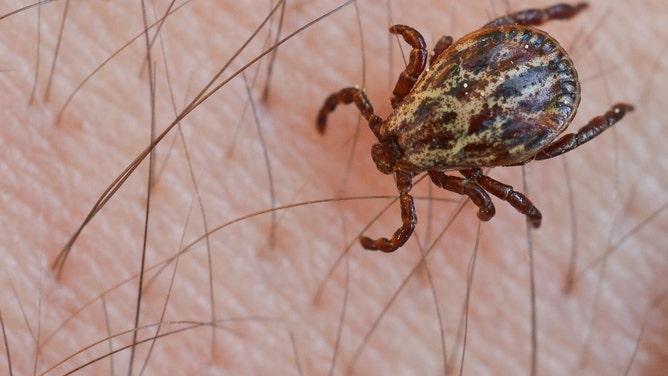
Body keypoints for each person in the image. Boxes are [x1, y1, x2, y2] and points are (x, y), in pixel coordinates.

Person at [1, 1, 665, 374]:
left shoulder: (432, 147)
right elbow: (489, 196)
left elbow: (475, 185)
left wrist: (485, 203)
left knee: (502, 65)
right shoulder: (447, 161)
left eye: (390, 139)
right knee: (503, 65)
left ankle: (598, 99)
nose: (388, 153)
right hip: (533, 84)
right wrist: (501, 204)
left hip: (514, 88)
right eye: (391, 139)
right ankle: (578, 44)